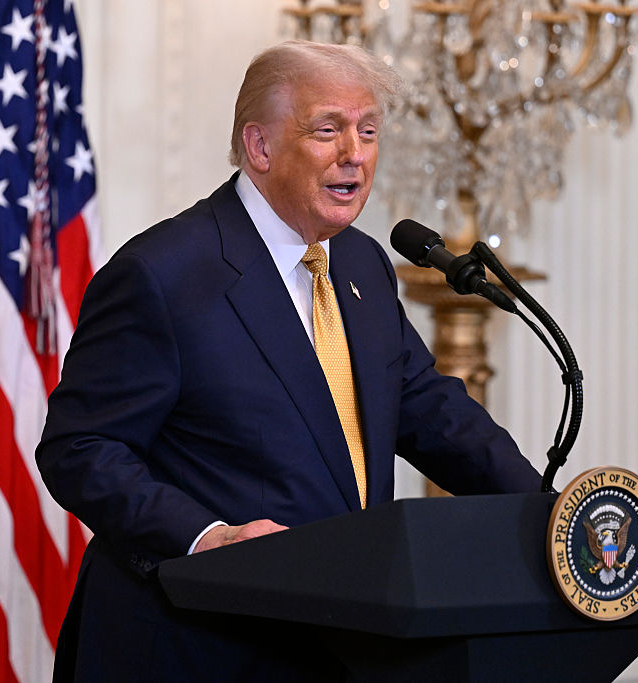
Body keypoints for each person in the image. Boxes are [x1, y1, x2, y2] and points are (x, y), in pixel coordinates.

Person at [36, 40, 541, 682]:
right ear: (261, 147)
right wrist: (208, 537)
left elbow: (433, 412)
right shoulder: (162, 275)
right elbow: (81, 449)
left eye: (367, 131)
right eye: (327, 130)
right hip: (195, 645)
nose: (354, 155)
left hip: (335, 641)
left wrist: (549, 518)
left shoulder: (359, 264)